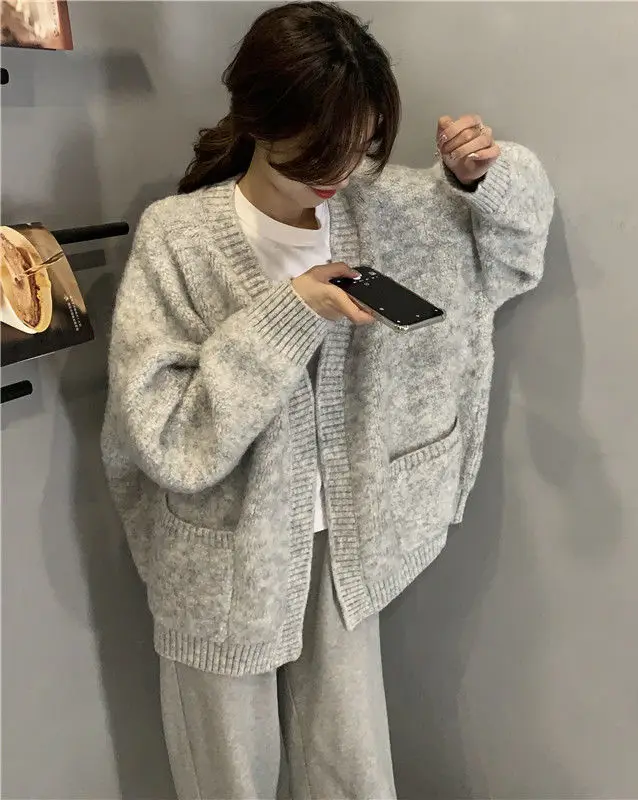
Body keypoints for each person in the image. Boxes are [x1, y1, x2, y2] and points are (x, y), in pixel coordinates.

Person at [101, 2, 554, 798]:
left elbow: (513, 256)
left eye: (360, 144)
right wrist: (293, 309)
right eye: (315, 155)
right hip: (218, 559)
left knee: (352, 774)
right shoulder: (177, 236)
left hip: (344, 546)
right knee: (225, 780)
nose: (339, 174)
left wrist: (486, 177)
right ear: (257, 122)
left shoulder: (389, 209)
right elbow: (164, 433)